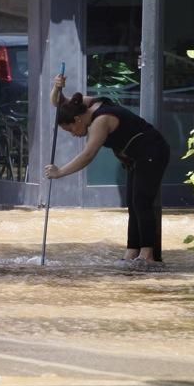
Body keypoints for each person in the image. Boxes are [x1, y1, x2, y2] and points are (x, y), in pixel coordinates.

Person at [44, 74, 170, 271]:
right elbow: (58, 102)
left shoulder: (99, 121)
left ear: (77, 120)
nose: (74, 135)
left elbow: (87, 156)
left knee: (141, 201)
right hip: (136, 157)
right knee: (133, 203)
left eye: (71, 130)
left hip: (152, 151)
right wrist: (57, 87)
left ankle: (148, 254)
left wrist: (60, 172)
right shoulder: (82, 105)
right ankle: (132, 251)